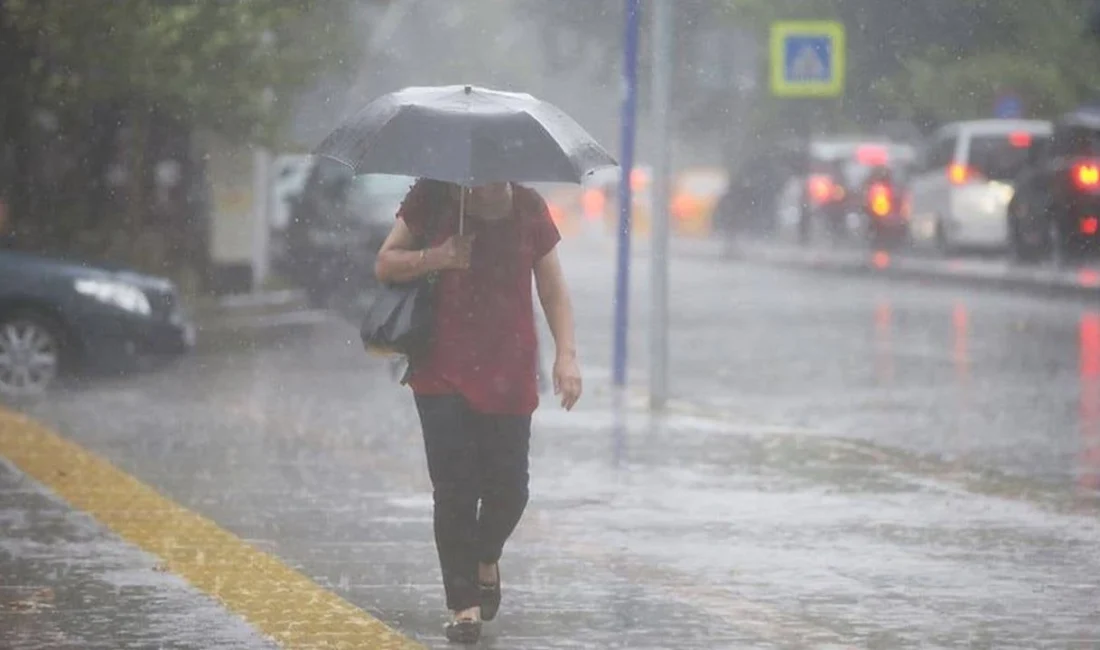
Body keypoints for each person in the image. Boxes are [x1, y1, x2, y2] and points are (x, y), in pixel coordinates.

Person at [374, 179, 582, 644]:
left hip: (508, 368)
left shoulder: (529, 208)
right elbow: (385, 263)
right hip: (440, 368)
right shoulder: (433, 197)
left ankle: (486, 556)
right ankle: (462, 604)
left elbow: (552, 289)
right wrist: (439, 257)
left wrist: (566, 354)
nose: (490, 178)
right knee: (455, 489)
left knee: (511, 490)